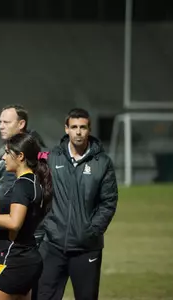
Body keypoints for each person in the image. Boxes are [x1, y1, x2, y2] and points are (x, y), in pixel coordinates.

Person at [37, 108, 118, 300]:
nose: (78, 132)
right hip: (53, 245)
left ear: (89, 129)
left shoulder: (102, 163)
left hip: (86, 248)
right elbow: (41, 195)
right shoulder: (52, 158)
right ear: (66, 129)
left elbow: (108, 202)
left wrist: (91, 231)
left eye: (83, 127)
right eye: (74, 127)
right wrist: (47, 226)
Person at [0, 133, 53, 300]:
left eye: (7, 152)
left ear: (20, 156)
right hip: (28, 259)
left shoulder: (22, 185)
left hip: (17, 260)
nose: (3, 157)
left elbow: (14, 223)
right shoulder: (33, 182)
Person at [0, 104, 46, 266]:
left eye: (6, 122)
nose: (1, 126)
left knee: (21, 282)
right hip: (2, 225)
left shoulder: (37, 152)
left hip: (27, 230)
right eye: (0, 122)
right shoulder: (2, 152)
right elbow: (6, 185)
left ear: (21, 124)